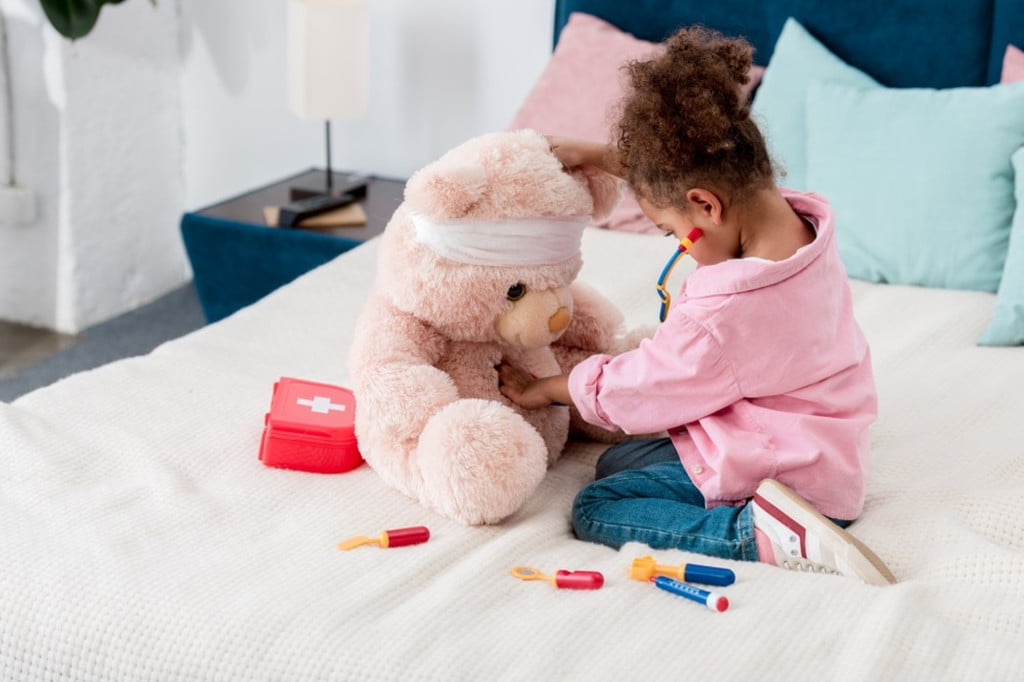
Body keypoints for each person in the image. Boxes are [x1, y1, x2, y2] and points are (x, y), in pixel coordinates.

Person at [498, 26, 895, 585]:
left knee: (596, 505)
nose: (675, 244)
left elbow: (638, 386)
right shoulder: (804, 229)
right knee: (617, 460)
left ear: (705, 206)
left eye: (669, 233)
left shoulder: (724, 311)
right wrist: (599, 156)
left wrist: (546, 388)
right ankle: (772, 516)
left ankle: (757, 536)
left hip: (790, 479)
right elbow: (694, 174)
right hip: (821, 446)